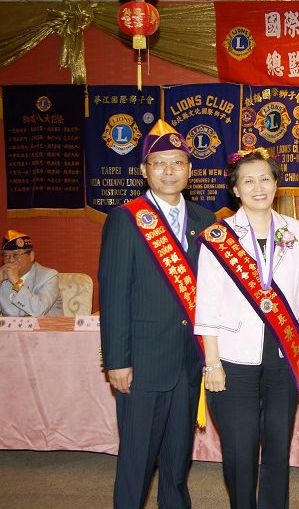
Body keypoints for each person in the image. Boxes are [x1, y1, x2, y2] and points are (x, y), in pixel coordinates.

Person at [99, 120, 215, 508]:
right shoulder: (126, 218)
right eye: (159, 163)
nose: (169, 171)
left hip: (188, 361)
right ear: (144, 170)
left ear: (190, 169)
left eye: (177, 162)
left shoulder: (205, 220)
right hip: (143, 364)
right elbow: (114, 294)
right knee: (137, 460)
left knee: (178, 462)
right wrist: (117, 361)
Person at [194, 148, 299, 509]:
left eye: (265, 178)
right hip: (233, 357)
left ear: (276, 184)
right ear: (235, 189)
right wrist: (212, 363)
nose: (258, 187)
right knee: (240, 449)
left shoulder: (296, 230)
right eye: (248, 181)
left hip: (283, 354)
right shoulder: (218, 236)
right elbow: (207, 302)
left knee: (278, 446)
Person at [0, 230, 63, 317]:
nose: (10, 260)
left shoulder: (48, 276)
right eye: (6, 255)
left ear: (31, 256)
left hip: (45, 325)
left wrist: (16, 282)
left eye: (16, 255)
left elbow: (39, 311)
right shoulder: (2, 277)